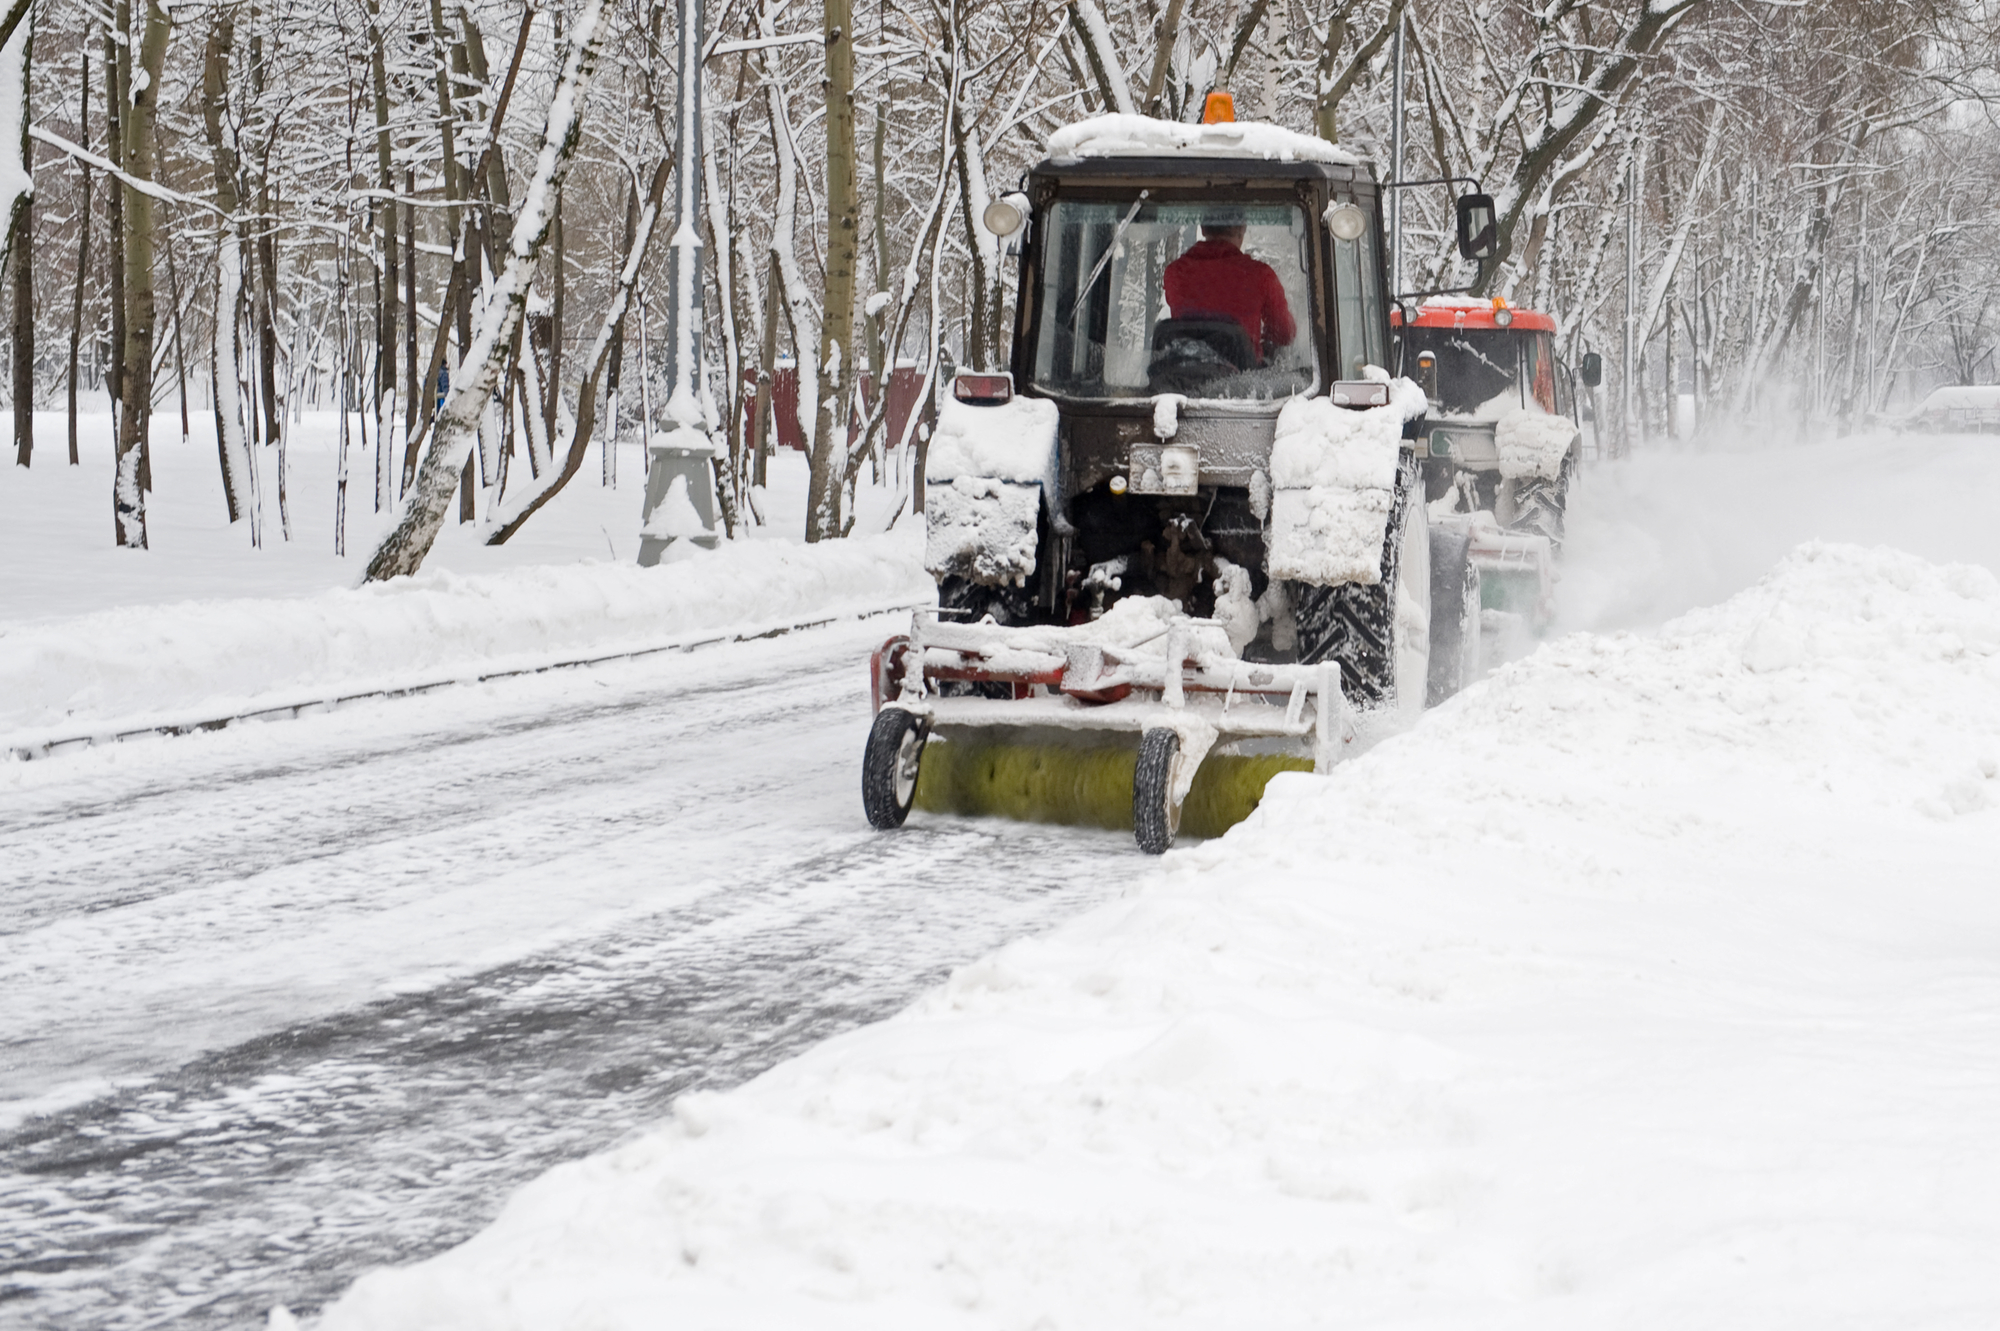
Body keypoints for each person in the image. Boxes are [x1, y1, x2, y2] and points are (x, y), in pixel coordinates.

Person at [1162, 216, 1296, 366]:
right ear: (1242, 229)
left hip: (1182, 381)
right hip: (1243, 383)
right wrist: (1261, 348)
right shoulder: (1260, 275)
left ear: (1203, 228)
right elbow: (1284, 333)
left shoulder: (1175, 272)